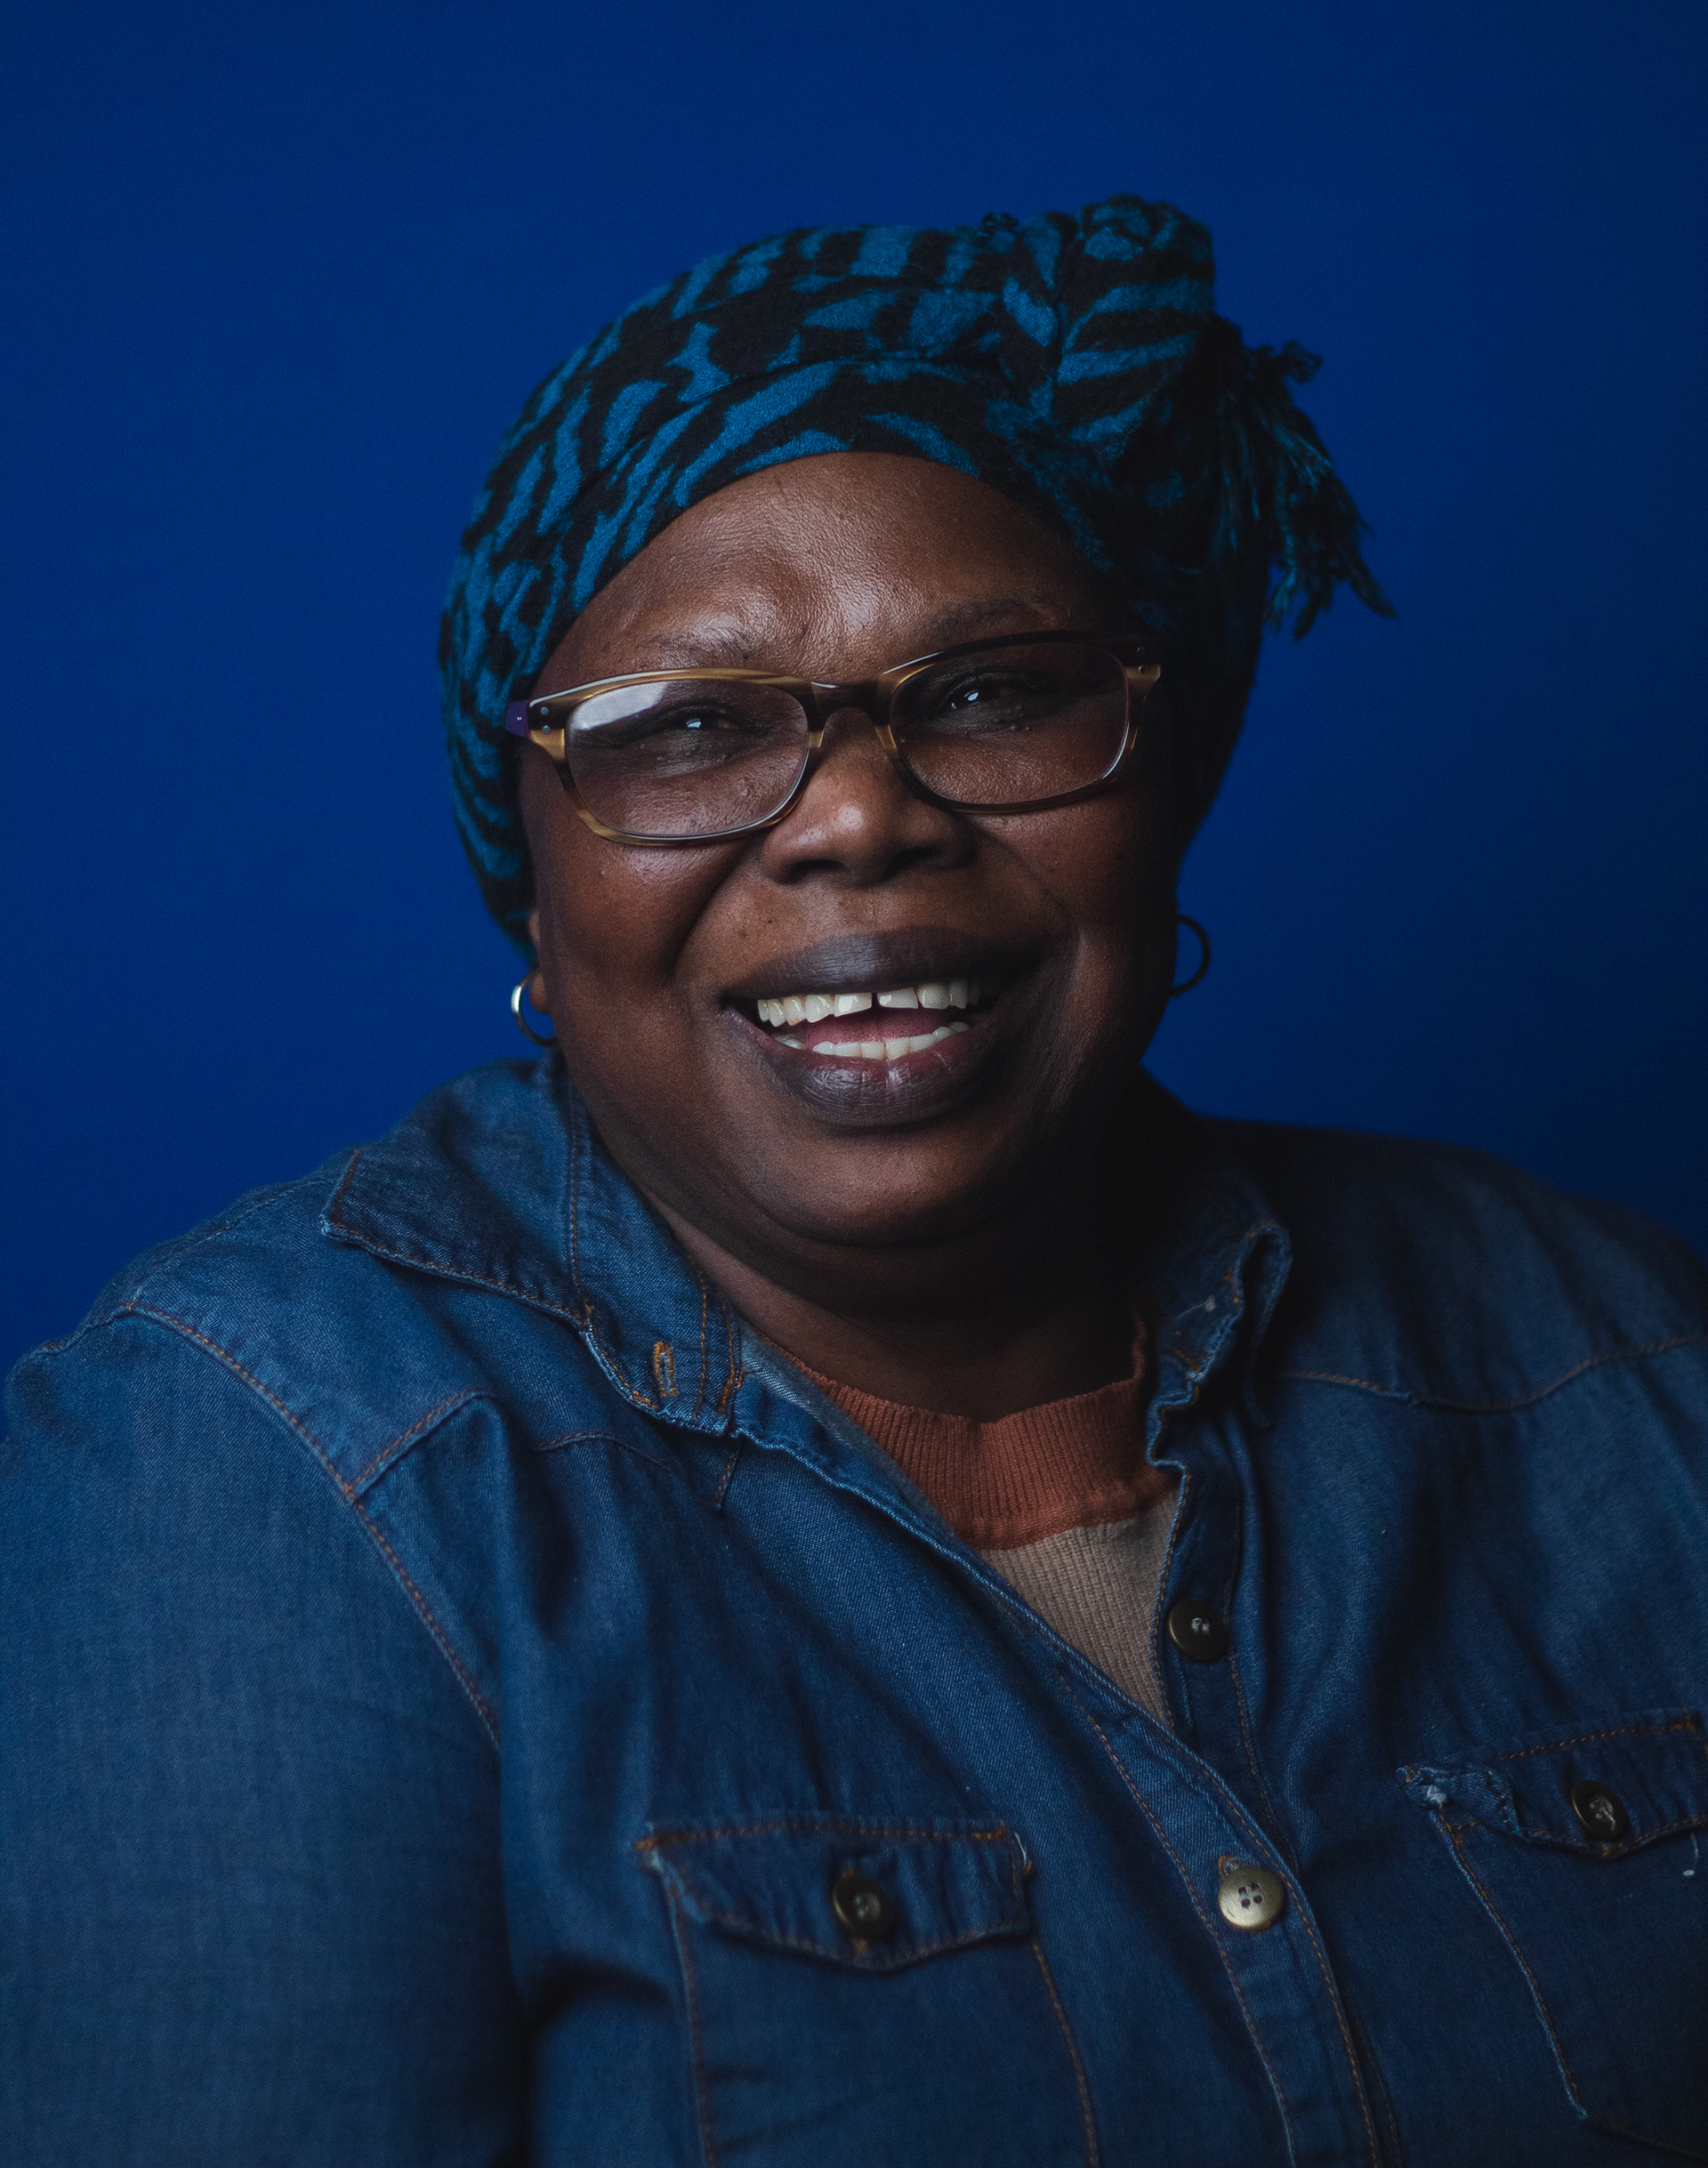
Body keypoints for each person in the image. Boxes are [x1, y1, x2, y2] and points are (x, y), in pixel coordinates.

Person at [4, 196, 1705, 2168]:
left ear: (1162, 786)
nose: (861, 818)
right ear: (534, 883)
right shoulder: (256, 1475)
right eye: (685, 729)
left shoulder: (1619, 1362)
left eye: (993, 692)